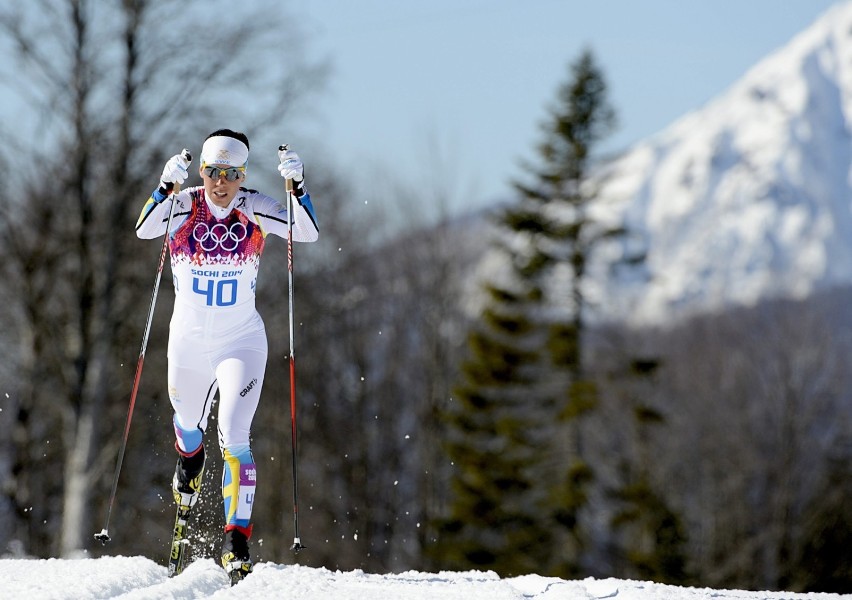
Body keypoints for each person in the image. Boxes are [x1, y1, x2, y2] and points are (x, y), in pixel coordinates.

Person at [135, 129, 318, 582]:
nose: (221, 183)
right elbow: (143, 229)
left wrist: (297, 187)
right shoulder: (183, 204)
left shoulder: (254, 206)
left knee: (235, 436)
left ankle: (236, 540)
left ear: (242, 176)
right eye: (214, 172)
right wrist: (163, 186)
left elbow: (307, 233)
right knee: (188, 427)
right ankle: (189, 462)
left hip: (241, 341)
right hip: (189, 343)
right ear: (202, 171)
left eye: (231, 174)